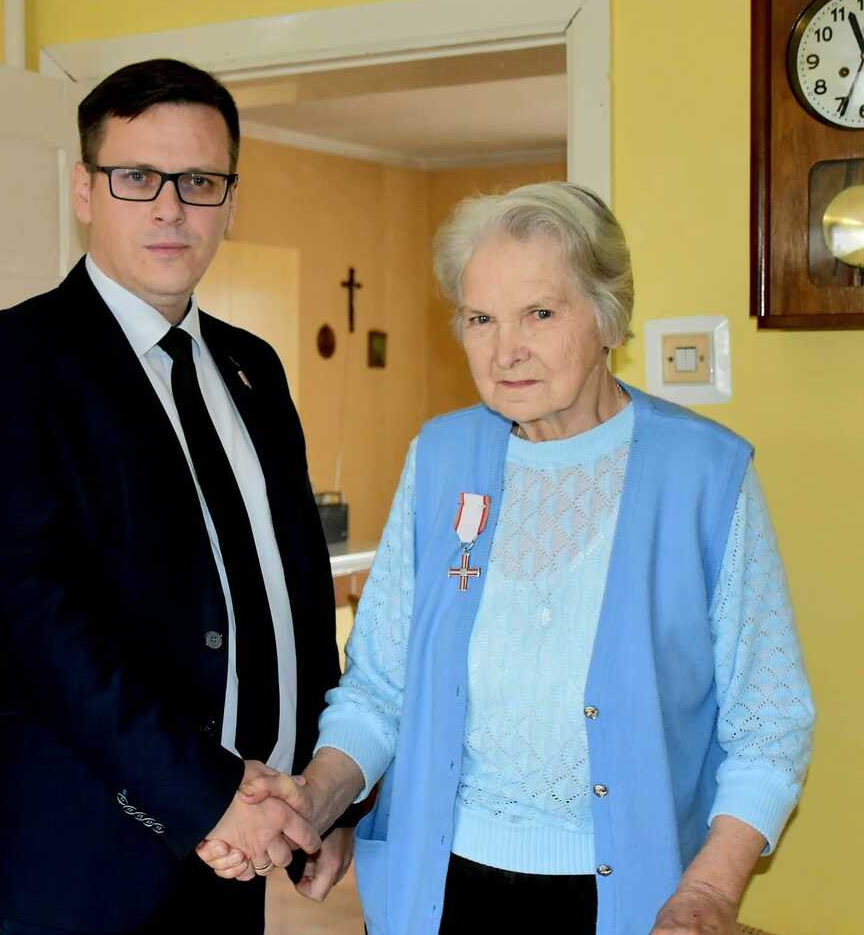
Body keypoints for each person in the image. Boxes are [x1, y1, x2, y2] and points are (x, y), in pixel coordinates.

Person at [198, 182, 815, 934]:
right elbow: (380, 688)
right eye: (480, 319)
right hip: (436, 891)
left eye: (540, 314)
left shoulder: (703, 475)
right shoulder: (441, 457)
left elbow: (769, 726)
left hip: (635, 900)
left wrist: (710, 892)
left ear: (608, 315)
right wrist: (314, 798)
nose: (505, 350)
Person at [0, 58, 354, 935]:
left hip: (238, 854)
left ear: (230, 201)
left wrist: (327, 793)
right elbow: (34, 626)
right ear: (85, 190)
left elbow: (297, 600)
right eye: (137, 177)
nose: (170, 208)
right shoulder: (2, 364)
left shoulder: (254, 367)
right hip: (79, 864)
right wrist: (208, 794)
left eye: (199, 181)